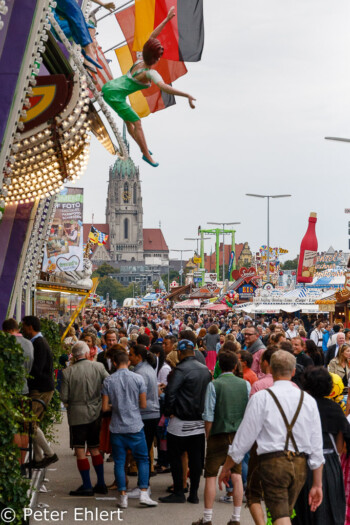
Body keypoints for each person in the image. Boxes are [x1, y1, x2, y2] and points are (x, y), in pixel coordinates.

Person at [219, 350, 324, 525]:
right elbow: (316, 445)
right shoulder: (308, 400)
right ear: (292, 372)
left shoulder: (261, 398)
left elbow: (243, 439)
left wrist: (227, 466)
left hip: (273, 462)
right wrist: (317, 484)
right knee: (284, 514)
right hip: (299, 465)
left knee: (281, 517)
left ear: (271, 370)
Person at [102, 7, 196, 168]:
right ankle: (146, 155)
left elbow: (152, 36)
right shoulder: (149, 74)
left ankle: (142, 147)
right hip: (114, 95)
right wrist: (186, 94)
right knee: (137, 123)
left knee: (130, 123)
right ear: (155, 58)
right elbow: (165, 88)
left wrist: (166, 20)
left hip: (111, 87)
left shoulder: (139, 59)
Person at [192, 352, 249, 525]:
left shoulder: (214, 385)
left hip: (218, 432)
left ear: (218, 365)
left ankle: (208, 518)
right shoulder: (245, 384)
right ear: (234, 366)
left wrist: (208, 435)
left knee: (210, 475)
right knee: (237, 474)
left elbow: (208, 414)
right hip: (237, 434)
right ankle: (236, 518)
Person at [292, 367, 350, 525]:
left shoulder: (300, 406)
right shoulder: (335, 409)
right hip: (329, 462)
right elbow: (342, 440)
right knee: (330, 508)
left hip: (302, 461)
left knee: (303, 508)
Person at [102, 347, 158, 508]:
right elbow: (143, 404)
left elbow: (105, 407)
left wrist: (116, 405)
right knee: (143, 460)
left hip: (117, 427)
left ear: (114, 362)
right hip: (135, 425)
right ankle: (143, 493)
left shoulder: (108, 381)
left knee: (119, 462)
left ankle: (122, 495)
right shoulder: (138, 379)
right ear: (128, 362)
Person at [159, 339, 211, 504]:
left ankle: (179, 491)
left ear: (180, 353)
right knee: (196, 460)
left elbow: (170, 393)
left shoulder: (179, 370)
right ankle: (194, 494)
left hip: (180, 421)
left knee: (176, 458)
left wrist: (168, 412)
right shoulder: (205, 371)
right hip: (198, 422)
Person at [60, 342, 109, 496]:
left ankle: (87, 485)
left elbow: (64, 396)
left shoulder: (67, 372)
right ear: (88, 354)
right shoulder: (99, 367)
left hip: (77, 413)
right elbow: (109, 383)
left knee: (80, 449)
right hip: (95, 411)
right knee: (95, 448)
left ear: (74, 356)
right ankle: (101, 483)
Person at [22, 316, 58, 468]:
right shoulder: (38, 342)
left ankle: (49, 454)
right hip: (41, 387)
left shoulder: (39, 344)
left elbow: (37, 369)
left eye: (24, 326)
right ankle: (38, 458)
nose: (22, 329)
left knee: (29, 423)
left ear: (30, 327)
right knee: (32, 423)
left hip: (41, 388)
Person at [128, 344, 160, 488]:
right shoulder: (147, 369)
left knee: (142, 453)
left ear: (138, 356)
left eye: (131, 354)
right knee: (144, 451)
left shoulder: (141, 372)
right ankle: (143, 485)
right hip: (150, 413)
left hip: (146, 414)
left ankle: (143, 486)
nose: (129, 357)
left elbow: (139, 396)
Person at [2, 318, 33, 395]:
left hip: (6, 390)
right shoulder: (29, 343)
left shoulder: (4, 342)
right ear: (17, 329)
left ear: (5, 330)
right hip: (23, 387)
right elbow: (30, 364)